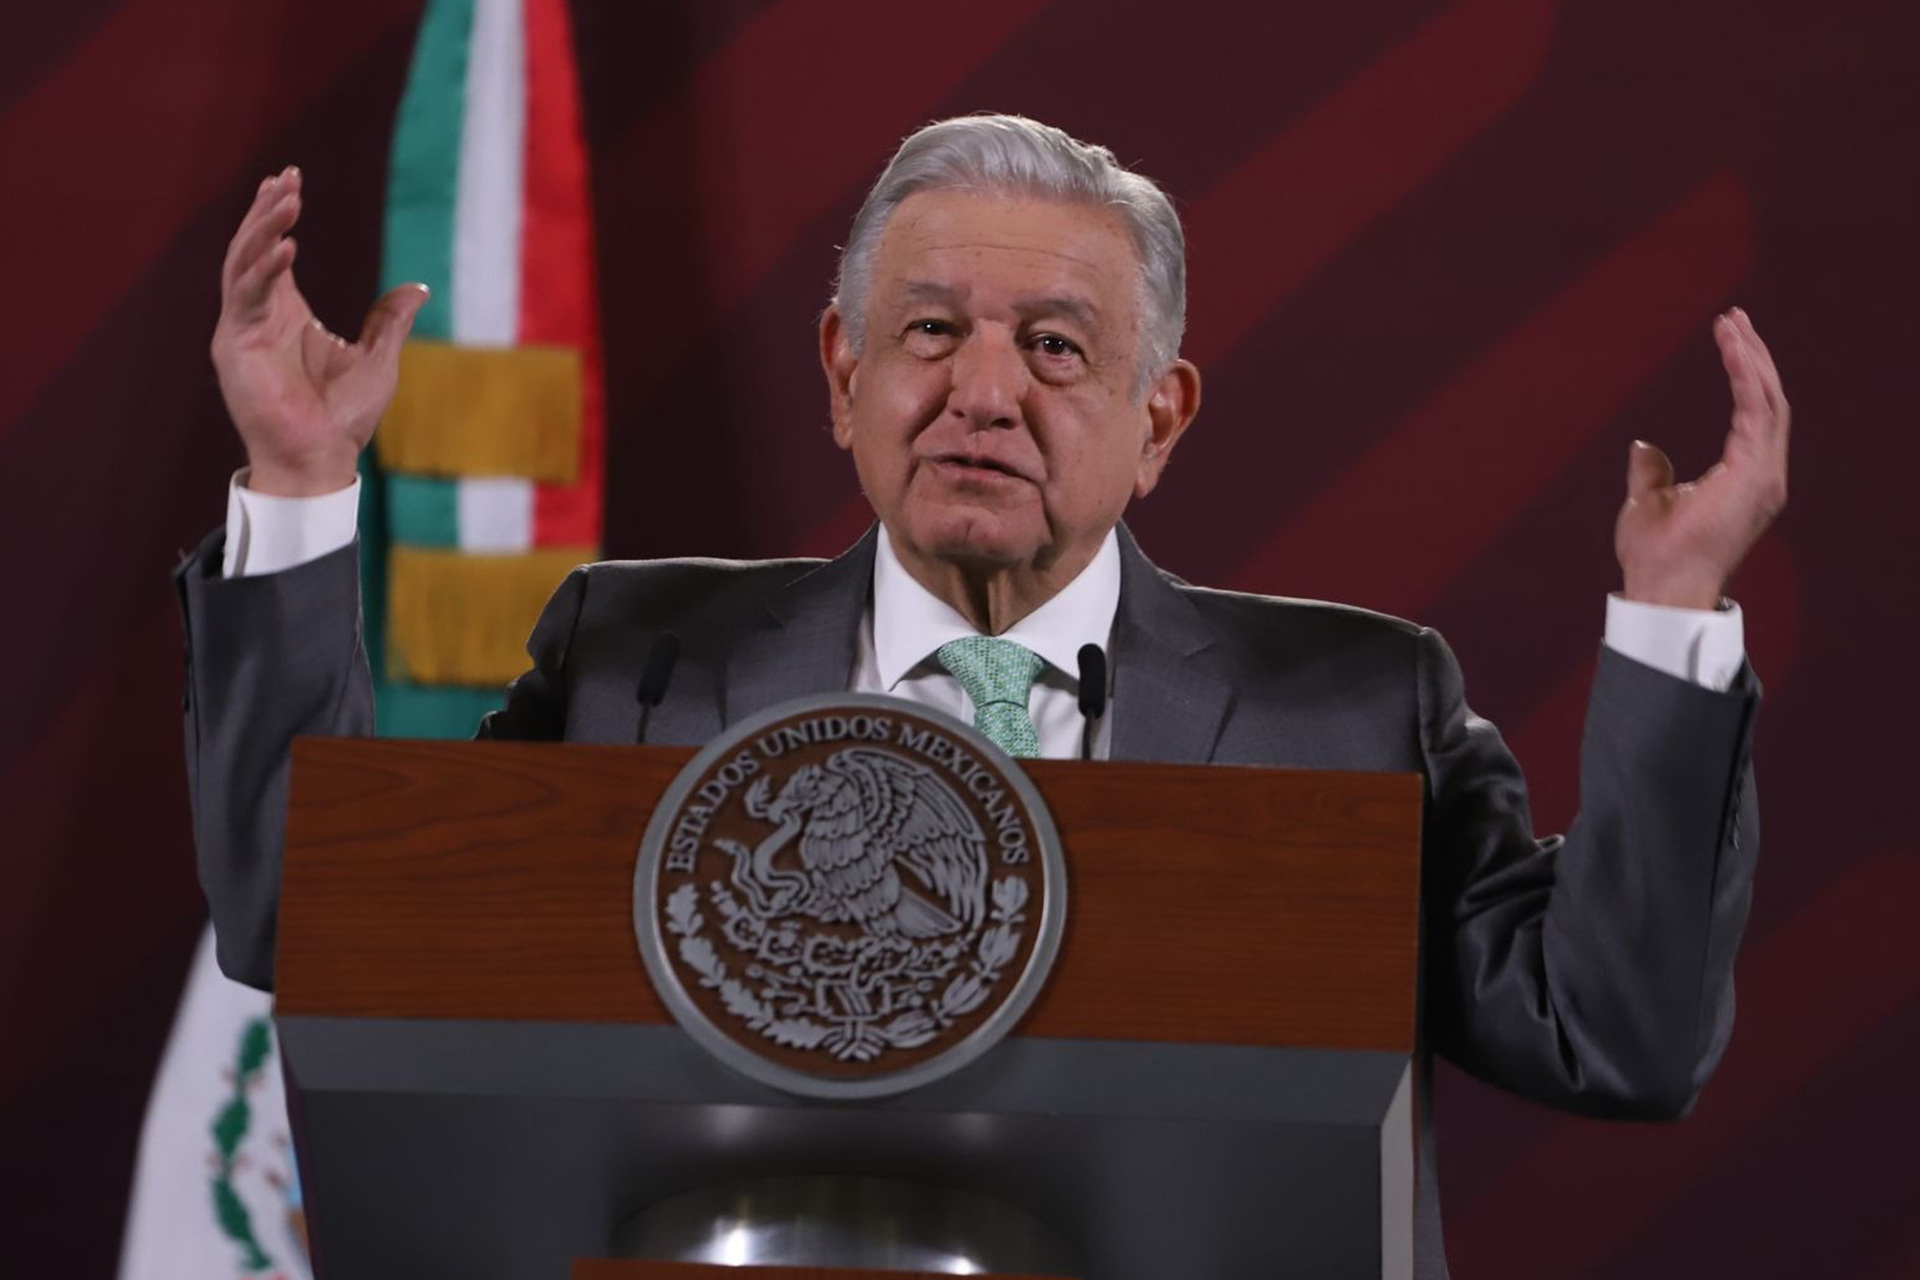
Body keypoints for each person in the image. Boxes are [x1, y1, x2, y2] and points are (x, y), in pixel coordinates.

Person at [177, 115, 1788, 1277]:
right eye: (931, 330)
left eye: (1059, 350)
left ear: (1161, 419)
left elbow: (1614, 1036)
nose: (985, 392)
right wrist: (304, 485)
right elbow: (309, 924)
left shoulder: (1357, 709)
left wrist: (1670, 622)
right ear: (844, 376)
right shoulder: (630, 658)